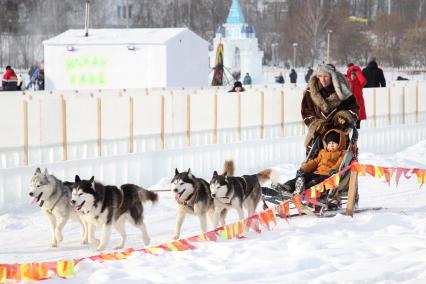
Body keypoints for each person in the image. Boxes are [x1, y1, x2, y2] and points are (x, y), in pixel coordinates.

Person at [301, 64, 359, 154]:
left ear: (332, 76)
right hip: (318, 133)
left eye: (325, 76)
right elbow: (306, 111)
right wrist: (316, 125)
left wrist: (344, 117)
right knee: (315, 159)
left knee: (339, 157)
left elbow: (354, 108)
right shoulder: (311, 92)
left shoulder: (343, 91)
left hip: (338, 132)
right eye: (320, 76)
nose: (323, 80)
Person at [280, 129, 346, 195]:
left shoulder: (341, 153)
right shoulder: (322, 152)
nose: (331, 145)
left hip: (327, 175)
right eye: (329, 143)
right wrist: (305, 168)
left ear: (340, 144)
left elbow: (339, 163)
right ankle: (287, 186)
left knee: (314, 182)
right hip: (316, 172)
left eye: (334, 143)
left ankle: (303, 190)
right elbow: (315, 162)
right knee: (304, 177)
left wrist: (333, 170)